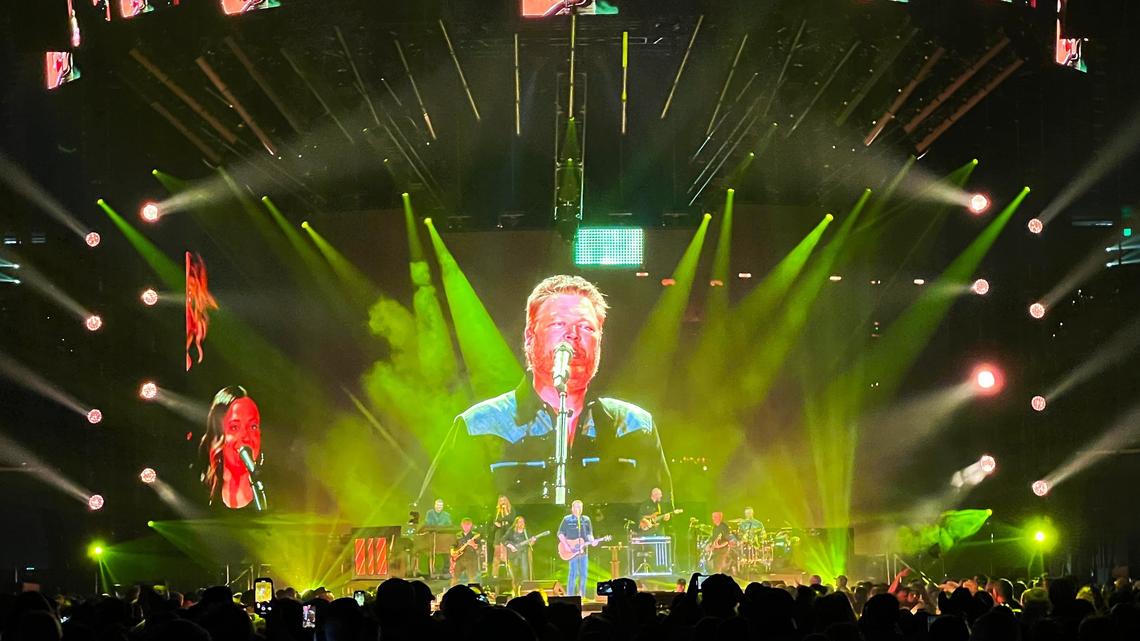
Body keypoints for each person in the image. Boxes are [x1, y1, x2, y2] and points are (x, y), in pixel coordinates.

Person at [427, 275, 669, 504]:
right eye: (558, 324)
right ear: (529, 338)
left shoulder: (635, 425)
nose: (572, 336)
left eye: (585, 328)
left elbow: (665, 516)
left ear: (600, 341)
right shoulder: (479, 425)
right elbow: (439, 520)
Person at [198, 386, 263, 510]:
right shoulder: (198, 494)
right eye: (234, 427)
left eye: (253, 426)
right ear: (218, 434)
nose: (246, 437)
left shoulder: (276, 491)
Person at [558, 500, 594, 598]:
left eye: (580, 507)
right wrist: (566, 545)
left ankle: (582, 596)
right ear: (572, 508)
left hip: (583, 551)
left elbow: (589, 534)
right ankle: (570, 596)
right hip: (572, 551)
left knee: (584, 574)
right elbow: (560, 533)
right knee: (573, 573)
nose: (578, 509)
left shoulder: (586, 519)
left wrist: (593, 541)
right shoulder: (567, 519)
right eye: (576, 507)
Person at [503, 516, 534, 593]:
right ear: (516, 523)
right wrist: (511, 546)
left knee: (525, 573)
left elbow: (530, 544)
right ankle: (516, 592)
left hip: (523, 554)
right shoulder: (511, 531)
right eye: (519, 522)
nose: (521, 524)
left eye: (523, 522)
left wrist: (533, 541)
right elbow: (503, 540)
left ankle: (525, 592)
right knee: (515, 575)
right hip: (513, 556)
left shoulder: (526, 532)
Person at [490, 495, 516, 579]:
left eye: (504, 500)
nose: (502, 502)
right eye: (501, 501)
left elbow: (512, 520)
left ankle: (511, 575)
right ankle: (495, 575)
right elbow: (493, 525)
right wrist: (496, 524)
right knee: (497, 557)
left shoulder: (511, 510)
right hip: (499, 537)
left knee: (508, 557)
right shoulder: (496, 512)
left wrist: (504, 516)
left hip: (508, 537)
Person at [450, 518, 481, 586]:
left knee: (472, 579)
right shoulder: (458, 535)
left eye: (468, 525)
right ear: (462, 525)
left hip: (471, 559)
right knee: (455, 578)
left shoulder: (475, 535)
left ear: (471, 525)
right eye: (464, 525)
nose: (466, 526)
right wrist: (452, 551)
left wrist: (472, 544)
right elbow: (453, 545)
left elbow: (479, 548)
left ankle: (472, 594)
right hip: (459, 559)